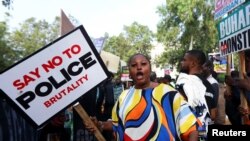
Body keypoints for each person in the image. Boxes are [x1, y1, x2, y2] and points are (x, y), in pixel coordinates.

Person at [85, 53, 199, 141]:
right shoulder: (124, 97)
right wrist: (99, 124)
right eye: (134, 65)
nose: (139, 67)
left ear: (150, 68)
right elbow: (116, 124)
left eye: (143, 64)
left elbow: (191, 128)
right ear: (129, 71)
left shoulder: (169, 93)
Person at [175, 49, 217, 140]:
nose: (182, 62)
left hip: (189, 134)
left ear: (193, 63)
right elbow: (213, 114)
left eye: (184, 60)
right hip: (204, 132)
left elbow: (179, 111)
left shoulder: (184, 83)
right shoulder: (208, 85)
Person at [202, 60, 220, 124]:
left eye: (202, 67)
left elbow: (214, 102)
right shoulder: (203, 81)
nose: (200, 69)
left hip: (208, 119)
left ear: (209, 68)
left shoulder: (213, 82)